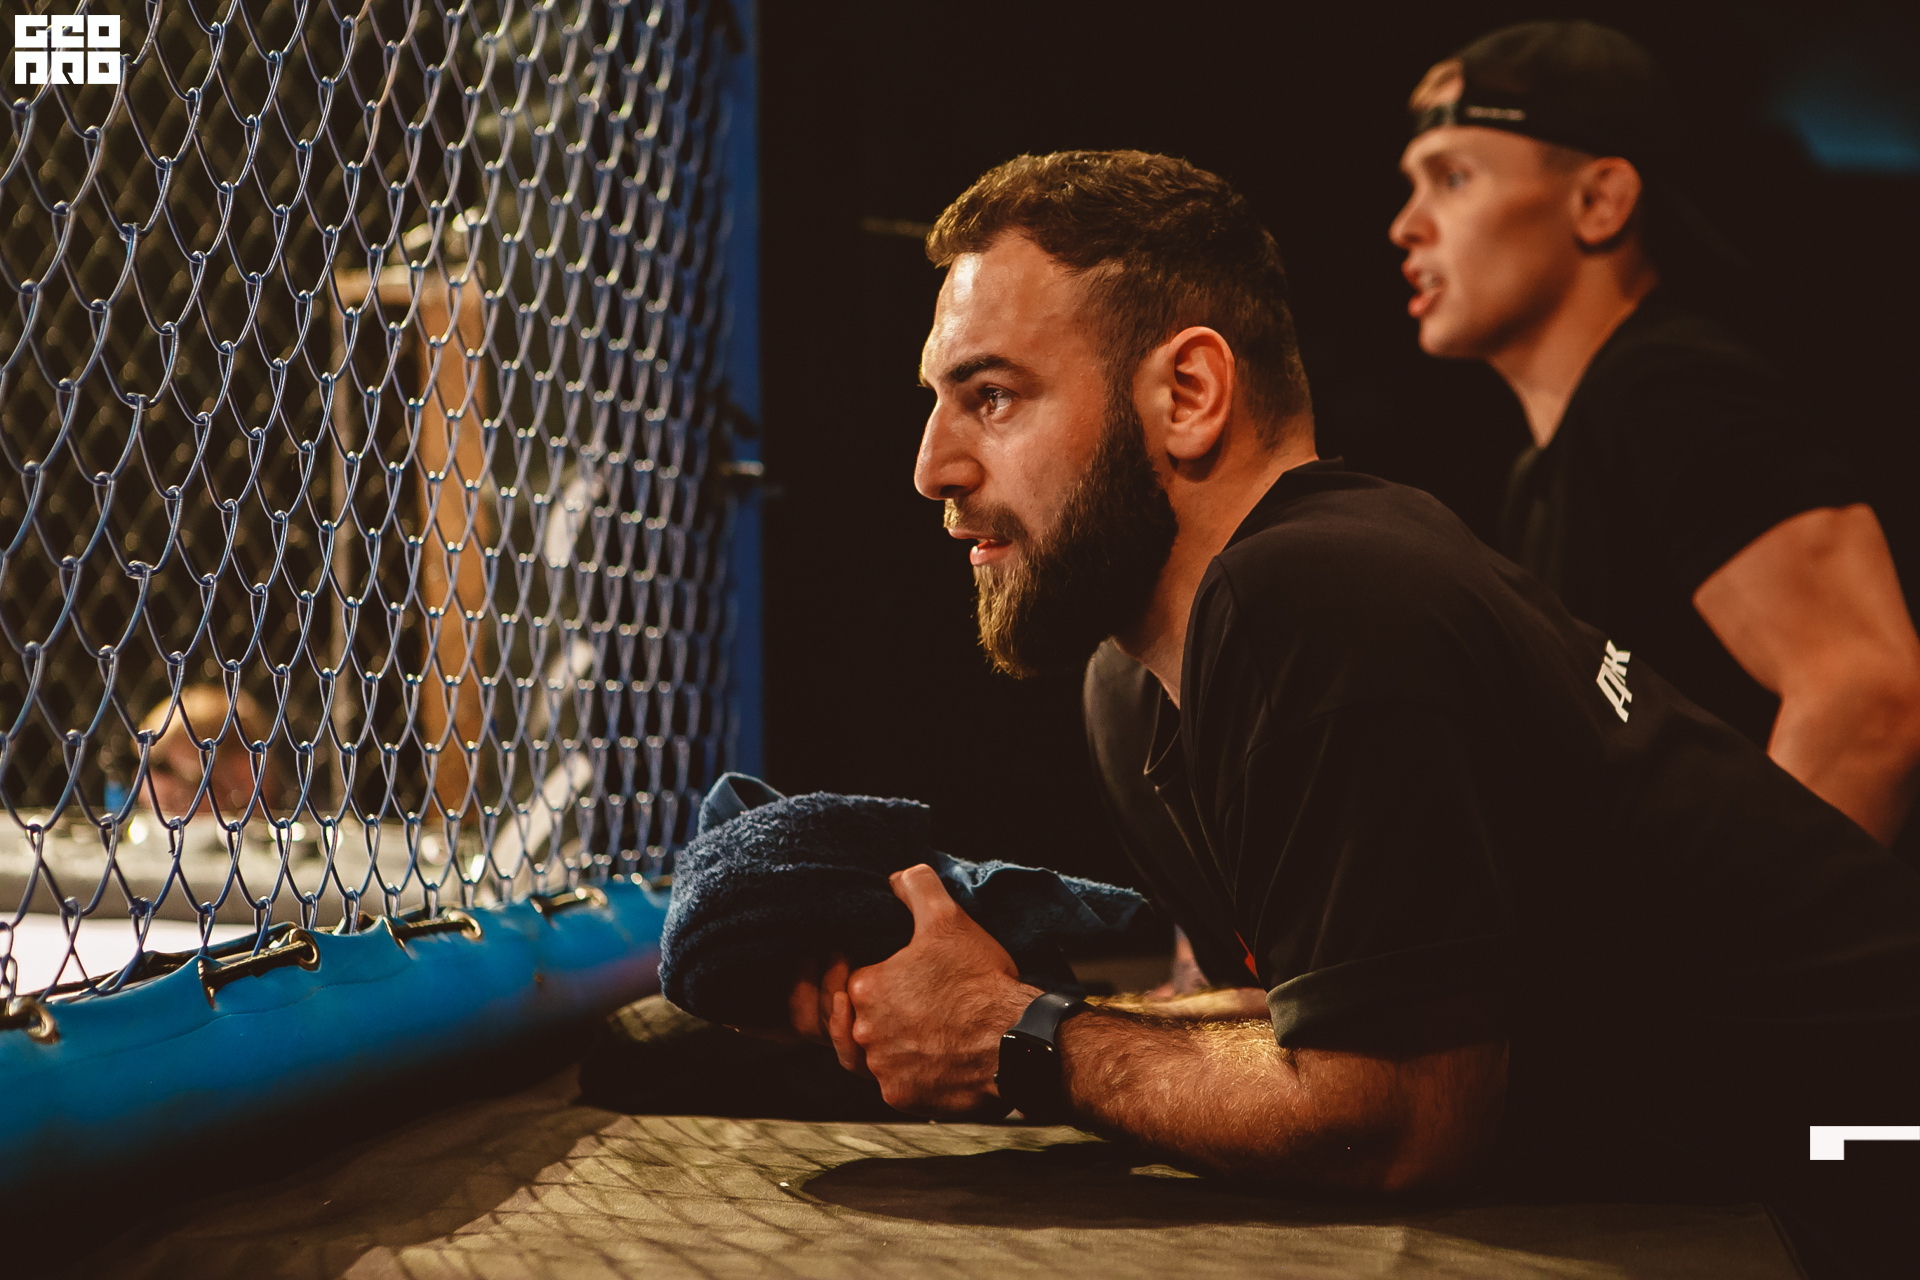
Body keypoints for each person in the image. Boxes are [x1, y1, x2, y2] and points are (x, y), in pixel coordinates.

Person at [771, 150, 1919, 1279]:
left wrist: (1018, 1037)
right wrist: (946, 1009)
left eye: (993, 397)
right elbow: (1303, 1028)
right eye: (938, 401)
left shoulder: (1317, 595)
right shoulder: (1137, 688)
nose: (932, 465)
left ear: (1188, 394)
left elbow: (1397, 1114)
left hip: (1871, 1158)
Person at [1387, 20, 1920, 848]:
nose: (1406, 226)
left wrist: (1746, 937)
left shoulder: (1672, 391)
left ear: (1600, 202)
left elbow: (1868, 696)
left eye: (1453, 178)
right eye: (1413, 185)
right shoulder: (1545, 470)